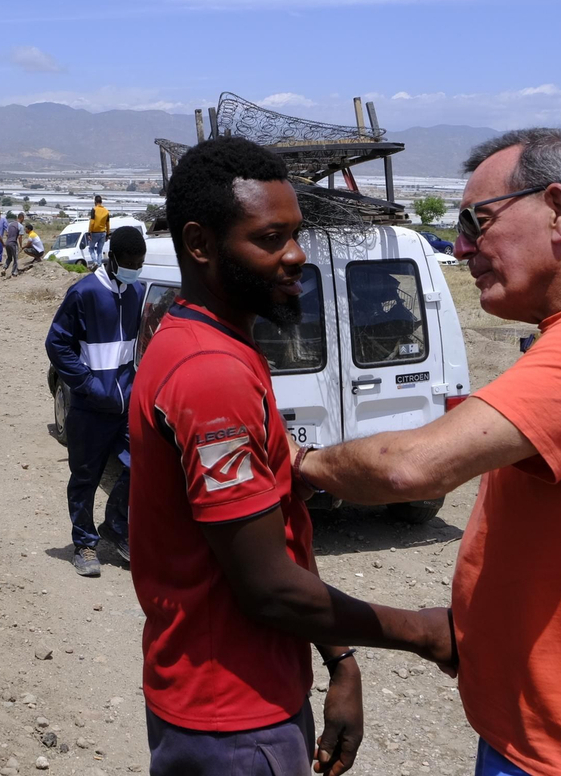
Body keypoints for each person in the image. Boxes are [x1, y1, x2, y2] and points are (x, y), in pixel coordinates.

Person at [294, 128, 561, 776]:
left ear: (558, 209)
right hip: (557, 733)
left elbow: (408, 466)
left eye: (478, 220)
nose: (463, 246)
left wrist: (297, 463)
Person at [130, 136, 453, 776]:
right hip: (233, 718)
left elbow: (275, 533)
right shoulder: (210, 374)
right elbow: (267, 587)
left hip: (236, 697)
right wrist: (425, 632)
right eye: (270, 238)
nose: (296, 256)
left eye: (295, 234)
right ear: (200, 245)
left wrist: (338, 660)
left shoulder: (209, 340)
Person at [46, 225, 146, 577]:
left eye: (141, 261)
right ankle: (85, 544)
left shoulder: (137, 292)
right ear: (112, 257)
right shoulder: (84, 293)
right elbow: (56, 344)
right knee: (85, 477)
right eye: (131, 262)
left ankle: (116, 528)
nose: (136, 267)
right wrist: (87, 383)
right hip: (91, 406)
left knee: (142, 465)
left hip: (126, 405)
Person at [85, 194, 110, 268]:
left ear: (95, 202)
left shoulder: (94, 210)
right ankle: (99, 265)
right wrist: (108, 234)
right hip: (103, 233)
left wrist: (89, 233)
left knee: (91, 248)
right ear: (101, 202)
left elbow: (92, 222)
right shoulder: (106, 211)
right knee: (99, 250)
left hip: (94, 233)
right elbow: (108, 224)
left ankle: (95, 262)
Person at [2, 213, 23, 277]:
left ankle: (4, 269)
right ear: (22, 218)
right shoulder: (20, 226)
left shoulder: (10, 224)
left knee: (9, 258)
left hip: (7, 242)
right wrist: (21, 246)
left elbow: (7, 234)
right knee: (15, 258)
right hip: (13, 243)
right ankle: (14, 272)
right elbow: (20, 237)